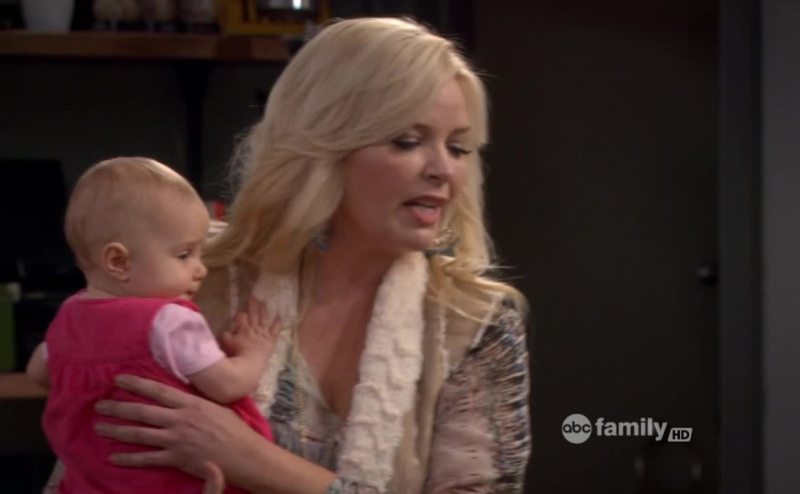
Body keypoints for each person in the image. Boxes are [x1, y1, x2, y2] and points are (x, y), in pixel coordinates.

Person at [49, 17, 532, 493]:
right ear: (324, 150)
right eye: (407, 141)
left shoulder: (474, 321)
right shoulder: (196, 279)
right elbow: (83, 467)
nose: (444, 169)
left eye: (459, 148)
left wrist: (249, 458)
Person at [27, 157, 277, 494]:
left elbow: (39, 371)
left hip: (92, 482)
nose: (201, 269)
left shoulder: (69, 315)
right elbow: (228, 385)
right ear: (118, 261)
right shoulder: (169, 321)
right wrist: (256, 352)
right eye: (184, 255)